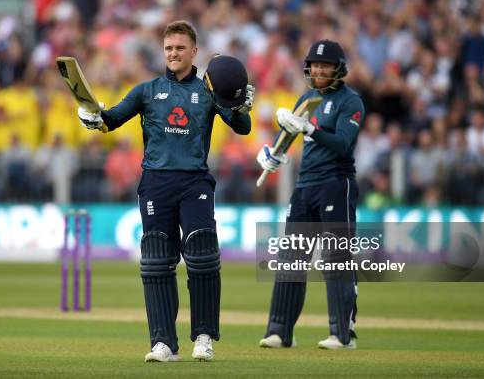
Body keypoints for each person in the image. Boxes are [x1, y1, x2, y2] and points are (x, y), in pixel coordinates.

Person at [77, 21, 254, 362]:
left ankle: (203, 337)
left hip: (195, 182)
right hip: (156, 183)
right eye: (169, 48)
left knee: (202, 257)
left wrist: (240, 106)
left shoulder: (209, 90)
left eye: (180, 48)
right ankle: (163, 343)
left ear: (194, 52)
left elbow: (243, 128)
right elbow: (110, 119)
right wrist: (92, 116)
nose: (173, 53)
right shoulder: (146, 90)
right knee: (157, 262)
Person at [257, 39, 365, 349]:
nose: (318, 69)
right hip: (304, 187)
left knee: (335, 259)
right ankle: (279, 331)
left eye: (325, 65)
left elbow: (343, 143)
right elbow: (287, 137)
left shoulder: (350, 101)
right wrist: (271, 154)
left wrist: (310, 130)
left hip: (336, 184)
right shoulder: (306, 99)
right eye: (314, 65)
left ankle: (342, 335)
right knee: (290, 259)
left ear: (338, 69)